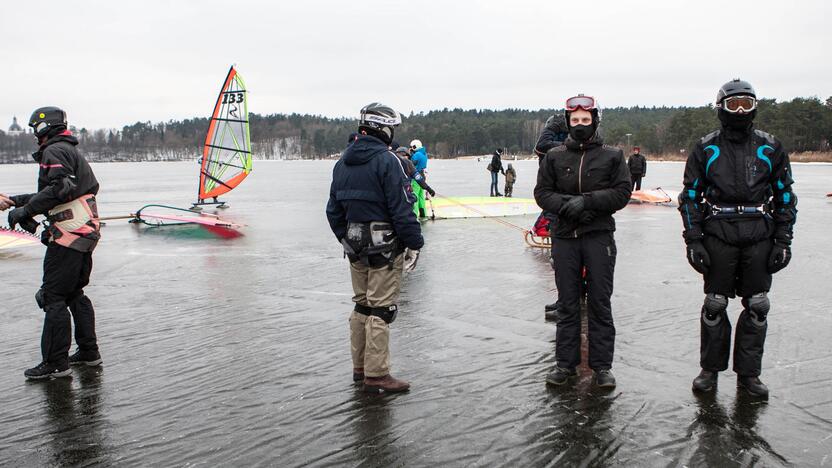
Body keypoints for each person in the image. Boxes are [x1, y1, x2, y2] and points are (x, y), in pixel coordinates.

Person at [679, 79, 797, 398]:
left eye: (747, 103)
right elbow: (690, 196)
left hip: (760, 233)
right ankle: (710, 371)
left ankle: (749, 375)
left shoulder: (769, 146)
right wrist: (694, 239)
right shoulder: (707, 147)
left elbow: (785, 194)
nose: (741, 110)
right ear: (721, 108)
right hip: (719, 233)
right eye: (734, 104)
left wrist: (783, 239)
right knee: (715, 305)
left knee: (757, 305)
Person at [534, 94, 632, 388]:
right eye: (574, 120)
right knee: (568, 303)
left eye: (585, 120)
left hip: (598, 236)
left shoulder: (612, 156)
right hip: (565, 237)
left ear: (594, 122)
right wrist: (568, 206)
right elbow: (542, 193)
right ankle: (565, 365)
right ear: (568, 123)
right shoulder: (554, 156)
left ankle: (602, 367)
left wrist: (589, 203)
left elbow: (622, 192)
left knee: (600, 303)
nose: (579, 125)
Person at [326, 102, 424, 394]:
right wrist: (415, 244)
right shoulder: (388, 161)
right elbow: (402, 209)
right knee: (381, 309)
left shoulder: (342, 163)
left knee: (361, 305)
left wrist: (347, 238)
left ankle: (360, 368)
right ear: (383, 128)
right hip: (384, 248)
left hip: (355, 247)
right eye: (392, 128)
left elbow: (333, 211)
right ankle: (377, 374)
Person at [1, 107, 102, 380]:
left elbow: (61, 188)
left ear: (44, 128)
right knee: (74, 294)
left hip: (68, 236)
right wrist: (19, 201)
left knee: (53, 297)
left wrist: (25, 212)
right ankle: (89, 353)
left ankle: (56, 363)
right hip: (85, 234)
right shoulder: (70, 151)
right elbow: (65, 190)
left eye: (35, 128)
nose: (35, 134)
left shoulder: (54, 151)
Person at [534, 114, 570, 318]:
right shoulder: (559, 145)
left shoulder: (566, 144)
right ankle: (564, 300)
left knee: (564, 259)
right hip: (555, 202)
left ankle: (569, 302)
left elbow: (541, 144)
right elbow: (541, 147)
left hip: (563, 204)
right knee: (558, 259)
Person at [409, 140, 429, 218]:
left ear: (415, 146)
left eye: (412, 147)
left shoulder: (416, 154)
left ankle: (415, 215)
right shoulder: (424, 154)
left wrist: (410, 154)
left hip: (416, 177)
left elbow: (411, 163)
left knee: (415, 196)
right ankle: (423, 213)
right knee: (421, 196)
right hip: (422, 176)